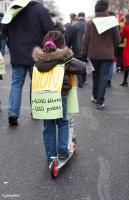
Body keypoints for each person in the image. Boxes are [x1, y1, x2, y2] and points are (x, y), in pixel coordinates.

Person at [32, 30, 86, 164]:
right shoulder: (65, 60)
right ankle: (62, 152)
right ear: (62, 44)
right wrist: (69, 55)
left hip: (44, 98)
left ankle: (50, 155)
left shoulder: (38, 61)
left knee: (48, 126)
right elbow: (82, 67)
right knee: (62, 123)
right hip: (59, 96)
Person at [2, 0, 54, 126]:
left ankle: (13, 113)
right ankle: (35, 111)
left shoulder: (13, 9)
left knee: (16, 84)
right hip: (36, 54)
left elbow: (4, 30)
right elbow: (50, 31)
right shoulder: (40, 10)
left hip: (17, 53)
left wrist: (12, 44)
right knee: (35, 84)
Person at [82, 0, 121, 109]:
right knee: (103, 76)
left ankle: (94, 97)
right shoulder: (113, 21)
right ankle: (100, 102)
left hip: (94, 54)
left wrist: (84, 54)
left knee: (95, 76)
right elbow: (118, 40)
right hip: (108, 55)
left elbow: (85, 40)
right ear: (106, 9)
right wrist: (110, 46)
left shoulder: (90, 22)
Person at [65, 12, 86, 88]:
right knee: (85, 62)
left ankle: (80, 81)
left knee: (79, 63)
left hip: (76, 48)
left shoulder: (73, 25)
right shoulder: (88, 24)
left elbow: (69, 38)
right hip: (86, 48)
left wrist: (68, 46)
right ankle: (84, 79)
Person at [120, 14, 129, 87]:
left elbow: (122, 37)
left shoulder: (126, 27)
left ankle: (125, 81)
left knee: (126, 66)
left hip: (128, 48)